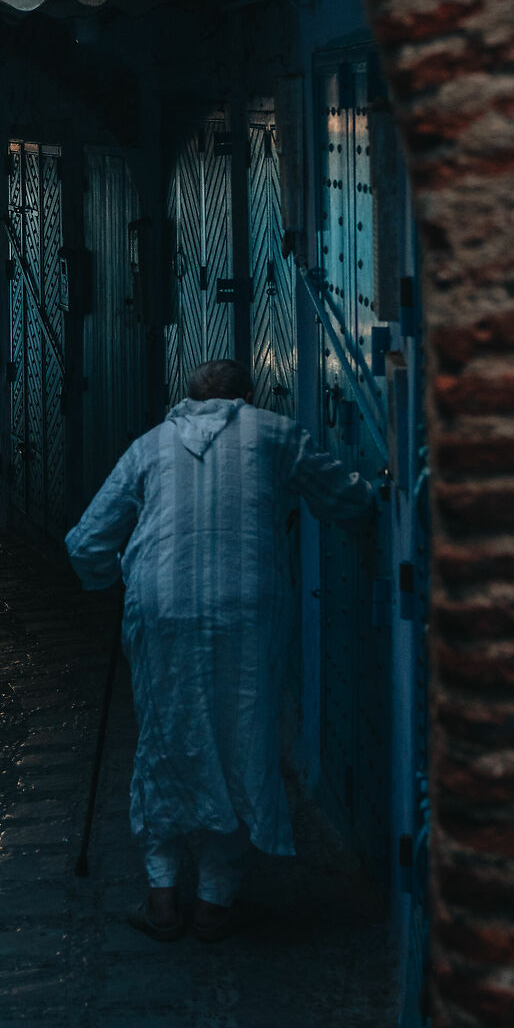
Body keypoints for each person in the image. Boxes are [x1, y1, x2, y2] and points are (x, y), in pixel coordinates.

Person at [65, 357, 378, 943]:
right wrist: (383, 495)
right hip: (248, 611)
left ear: (186, 398)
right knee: (242, 739)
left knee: (164, 737)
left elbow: (87, 542)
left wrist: (110, 578)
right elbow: (347, 499)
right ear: (247, 396)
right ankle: (215, 902)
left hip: (162, 607)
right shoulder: (276, 434)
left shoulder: (149, 447)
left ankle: (162, 900)